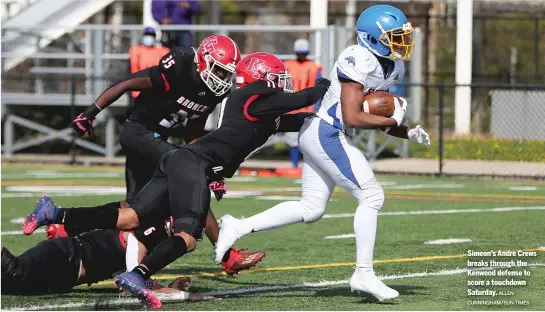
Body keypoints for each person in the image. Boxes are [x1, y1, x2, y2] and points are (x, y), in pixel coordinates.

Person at [21, 52, 330, 308]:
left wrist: (343, 116)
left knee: (131, 216)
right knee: (187, 236)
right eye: (276, 80)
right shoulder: (250, 96)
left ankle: (56, 213)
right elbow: (301, 99)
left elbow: (299, 117)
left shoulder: (264, 110)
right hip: (191, 162)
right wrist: (329, 86)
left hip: (180, 159)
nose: (282, 86)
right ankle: (138, 275)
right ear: (260, 79)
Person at [214, 4, 431, 302]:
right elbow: (354, 116)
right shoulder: (357, 57)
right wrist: (393, 119)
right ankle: (363, 273)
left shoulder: (394, 66)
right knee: (372, 196)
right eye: (394, 36)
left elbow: (371, 115)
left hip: (329, 133)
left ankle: (236, 226)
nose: (401, 42)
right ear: (372, 37)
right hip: (327, 131)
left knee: (311, 208)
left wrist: (405, 130)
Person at [24, 34, 265, 275]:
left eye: (226, 73)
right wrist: (90, 112)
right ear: (202, 61)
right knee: (189, 174)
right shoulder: (179, 66)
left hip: (157, 140)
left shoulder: (212, 91)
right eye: (218, 71)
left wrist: (209, 168)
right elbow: (126, 83)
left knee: (135, 209)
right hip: (138, 133)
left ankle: (63, 222)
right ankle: (227, 256)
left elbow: (193, 131)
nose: (222, 79)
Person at [2, 209, 216, 301]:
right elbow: (134, 284)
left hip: (64, 274)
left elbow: (134, 281)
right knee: (14, 271)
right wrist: (185, 296)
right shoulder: (144, 236)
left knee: (10, 286)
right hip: (66, 256)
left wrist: (168, 287)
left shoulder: (151, 246)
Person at [276, 38, 323, 173]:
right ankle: (295, 165)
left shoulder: (313, 67)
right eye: (299, 53)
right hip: (291, 108)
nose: (301, 56)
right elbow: (281, 85)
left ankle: (311, 166)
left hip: (308, 109)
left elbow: (318, 88)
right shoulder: (287, 66)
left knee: (309, 140)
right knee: (293, 140)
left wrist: (316, 107)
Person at [128, 27, 170, 99]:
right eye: (147, 35)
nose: (149, 37)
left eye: (151, 35)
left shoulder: (163, 51)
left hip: (157, 86)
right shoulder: (136, 50)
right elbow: (134, 69)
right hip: (140, 86)